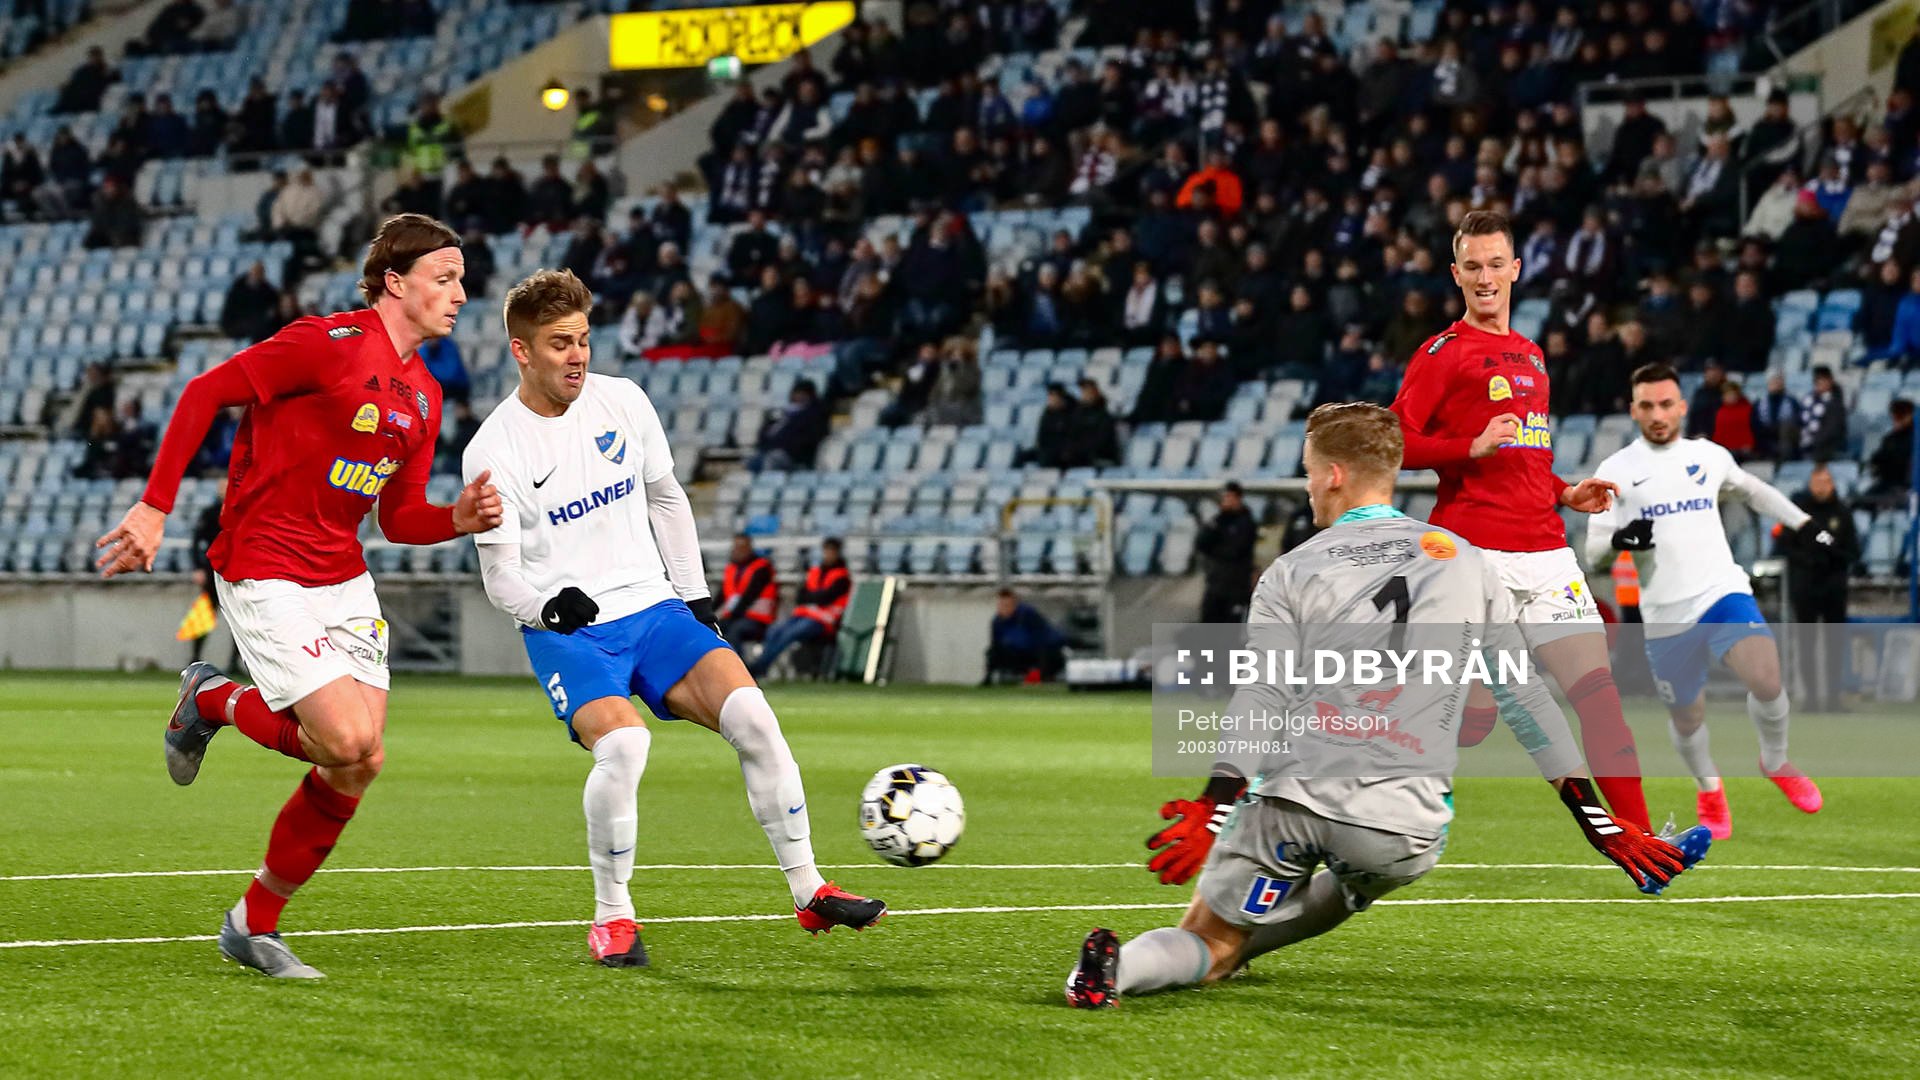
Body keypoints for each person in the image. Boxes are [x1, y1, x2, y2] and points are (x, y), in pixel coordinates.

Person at [1065, 403, 1706, 1008]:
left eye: (1309, 473)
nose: (1308, 487)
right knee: (1354, 880)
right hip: (1401, 827)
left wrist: (1213, 806)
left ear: (1334, 475)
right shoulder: (1466, 562)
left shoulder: (1291, 571)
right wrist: (1597, 820)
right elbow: (1523, 697)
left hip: (1293, 800)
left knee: (1210, 938)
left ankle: (1117, 971)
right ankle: (1270, 928)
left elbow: (1261, 695)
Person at [94, 214, 504, 979]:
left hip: (342, 577)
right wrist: (154, 505)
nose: (460, 294)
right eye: (445, 278)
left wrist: (455, 519)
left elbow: (397, 518)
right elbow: (203, 392)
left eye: (461, 280)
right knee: (345, 740)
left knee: (359, 759)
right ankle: (211, 699)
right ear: (395, 282)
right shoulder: (326, 343)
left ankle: (252, 923)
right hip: (264, 563)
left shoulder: (424, 395)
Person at [461, 272, 883, 968]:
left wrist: (696, 598)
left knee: (755, 718)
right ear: (521, 351)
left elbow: (665, 498)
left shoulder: (624, 401)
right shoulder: (494, 449)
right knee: (625, 746)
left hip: (655, 609)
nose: (577, 356)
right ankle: (612, 918)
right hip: (569, 632)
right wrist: (547, 606)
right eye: (559, 343)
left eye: (583, 340)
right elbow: (499, 574)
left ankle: (809, 889)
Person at [1388, 209, 1654, 831]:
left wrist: (1566, 492)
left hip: (1548, 553)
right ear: (1456, 274)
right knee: (1471, 721)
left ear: (1515, 269)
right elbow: (1393, 440)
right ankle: (1373, 795)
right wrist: (1468, 446)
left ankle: (1645, 846)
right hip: (1476, 555)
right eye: (1472, 267)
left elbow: (1528, 456)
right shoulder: (1443, 354)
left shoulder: (1532, 355)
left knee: (1599, 697)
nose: (1485, 278)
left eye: (1494, 265)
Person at [1585, 364, 1826, 840]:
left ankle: (1775, 760)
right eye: (1647, 406)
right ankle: (1709, 787)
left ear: (1682, 406)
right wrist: (1620, 540)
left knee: (1766, 677)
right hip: (1665, 614)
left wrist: (1804, 523)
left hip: (1721, 591)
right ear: (1633, 410)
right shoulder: (1615, 471)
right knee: (1687, 715)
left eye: (1665, 404)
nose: (1657, 415)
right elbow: (1593, 555)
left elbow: (1753, 490)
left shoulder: (1708, 456)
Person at [1782, 465, 1860, 711]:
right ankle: (1811, 699)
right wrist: (1809, 560)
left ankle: (1834, 698)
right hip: (1805, 586)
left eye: (1826, 482)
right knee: (1806, 642)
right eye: (1817, 482)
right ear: (1810, 484)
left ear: (1833, 484)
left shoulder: (1843, 513)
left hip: (1834, 587)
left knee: (1835, 643)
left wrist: (1830, 557)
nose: (1821, 487)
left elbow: (1852, 551)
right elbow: (1786, 547)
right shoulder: (1799, 514)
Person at [747, 539, 851, 679]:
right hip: (803, 615)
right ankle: (761, 666)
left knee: (788, 635)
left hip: (824, 621)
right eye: (826, 551)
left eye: (831, 552)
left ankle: (758, 668)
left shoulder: (842, 576)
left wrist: (812, 596)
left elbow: (826, 597)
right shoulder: (815, 571)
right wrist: (815, 596)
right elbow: (801, 596)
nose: (828, 555)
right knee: (774, 631)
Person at [1195, 482, 1256, 623]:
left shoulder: (1246, 523)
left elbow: (1236, 550)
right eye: (1224, 497)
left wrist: (1215, 550)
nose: (1225, 501)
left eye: (1229, 497)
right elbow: (1201, 544)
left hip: (1236, 587)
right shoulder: (1218, 521)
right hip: (1215, 584)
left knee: (1230, 628)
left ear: (1238, 498)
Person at [984, 588, 1066, 684]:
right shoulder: (997, 622)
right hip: (1019, 655)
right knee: (992, 652)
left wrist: (1038, 670)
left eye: (1007, 606)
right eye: (1000, 605)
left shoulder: (1028, 615)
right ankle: (989, 679)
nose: (1003, 609)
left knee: (1045, 652)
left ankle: (1042, 676)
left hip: (1043, 653)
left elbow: (1042, 641)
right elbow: (995, 644)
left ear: (1015, 605)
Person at [717, 533, 778, 647]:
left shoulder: (762, 568)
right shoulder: (731, 569)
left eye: (741, 547)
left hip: (758, 619)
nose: (737, 551)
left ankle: (736, 658)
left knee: (735, 630)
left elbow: (749, 597)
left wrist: (730, 617)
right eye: (735, 547)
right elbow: (720, 596)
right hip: (736, 616)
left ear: (749, 548)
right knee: (714, 629)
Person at [1867, 398, 1915, 500]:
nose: (1895, 421)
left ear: (1909, 417)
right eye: (1894, 417)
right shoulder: (1890, 438)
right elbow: (1878, 459)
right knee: (1862, 501)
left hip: (1906, 488)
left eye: (1899, 417)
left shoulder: (1915, 439)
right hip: (1887, 484)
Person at [1800, 365, 1848, 460]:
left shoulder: (1835, 403)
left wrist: (1812, 441)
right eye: (1817, 380)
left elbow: (1832, 430)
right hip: (1807, 442)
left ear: (1830, 381)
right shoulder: (1808, 400)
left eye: (1823, 379)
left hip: (1826, 447)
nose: (1819, 382)